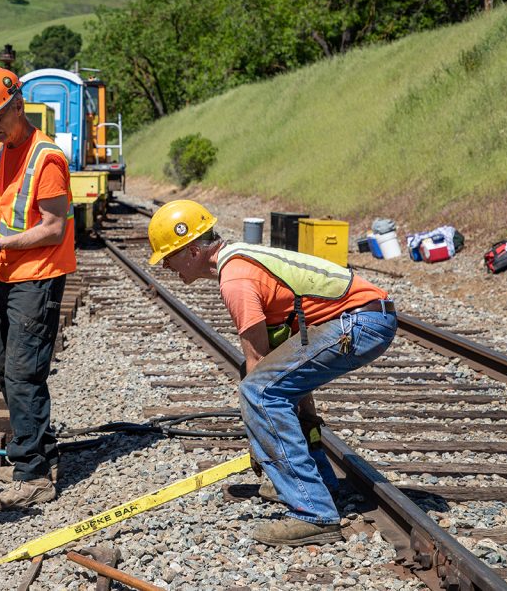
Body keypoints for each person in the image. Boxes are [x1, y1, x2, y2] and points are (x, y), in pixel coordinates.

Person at [147, 200, 397, 546]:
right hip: (366, 317)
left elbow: (258, 361)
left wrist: (260, 439)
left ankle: (314, 513)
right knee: (275, 389)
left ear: (191, 251)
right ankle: (320, 483)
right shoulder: (240, 257)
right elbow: (283, 359)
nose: (166, 267)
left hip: (359, 321)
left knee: (259, 392)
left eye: (168, 257)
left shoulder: (235, 278)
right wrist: (294, 416)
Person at [0, 66, 77, 511]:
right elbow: (5, 213)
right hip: (8, 273)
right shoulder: (5, 151)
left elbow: (50, 229)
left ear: (18, 106)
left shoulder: (46, 157)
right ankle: (42, 452)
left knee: (22, 373)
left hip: (38, 276)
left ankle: (33, 476)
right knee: (10, 364)